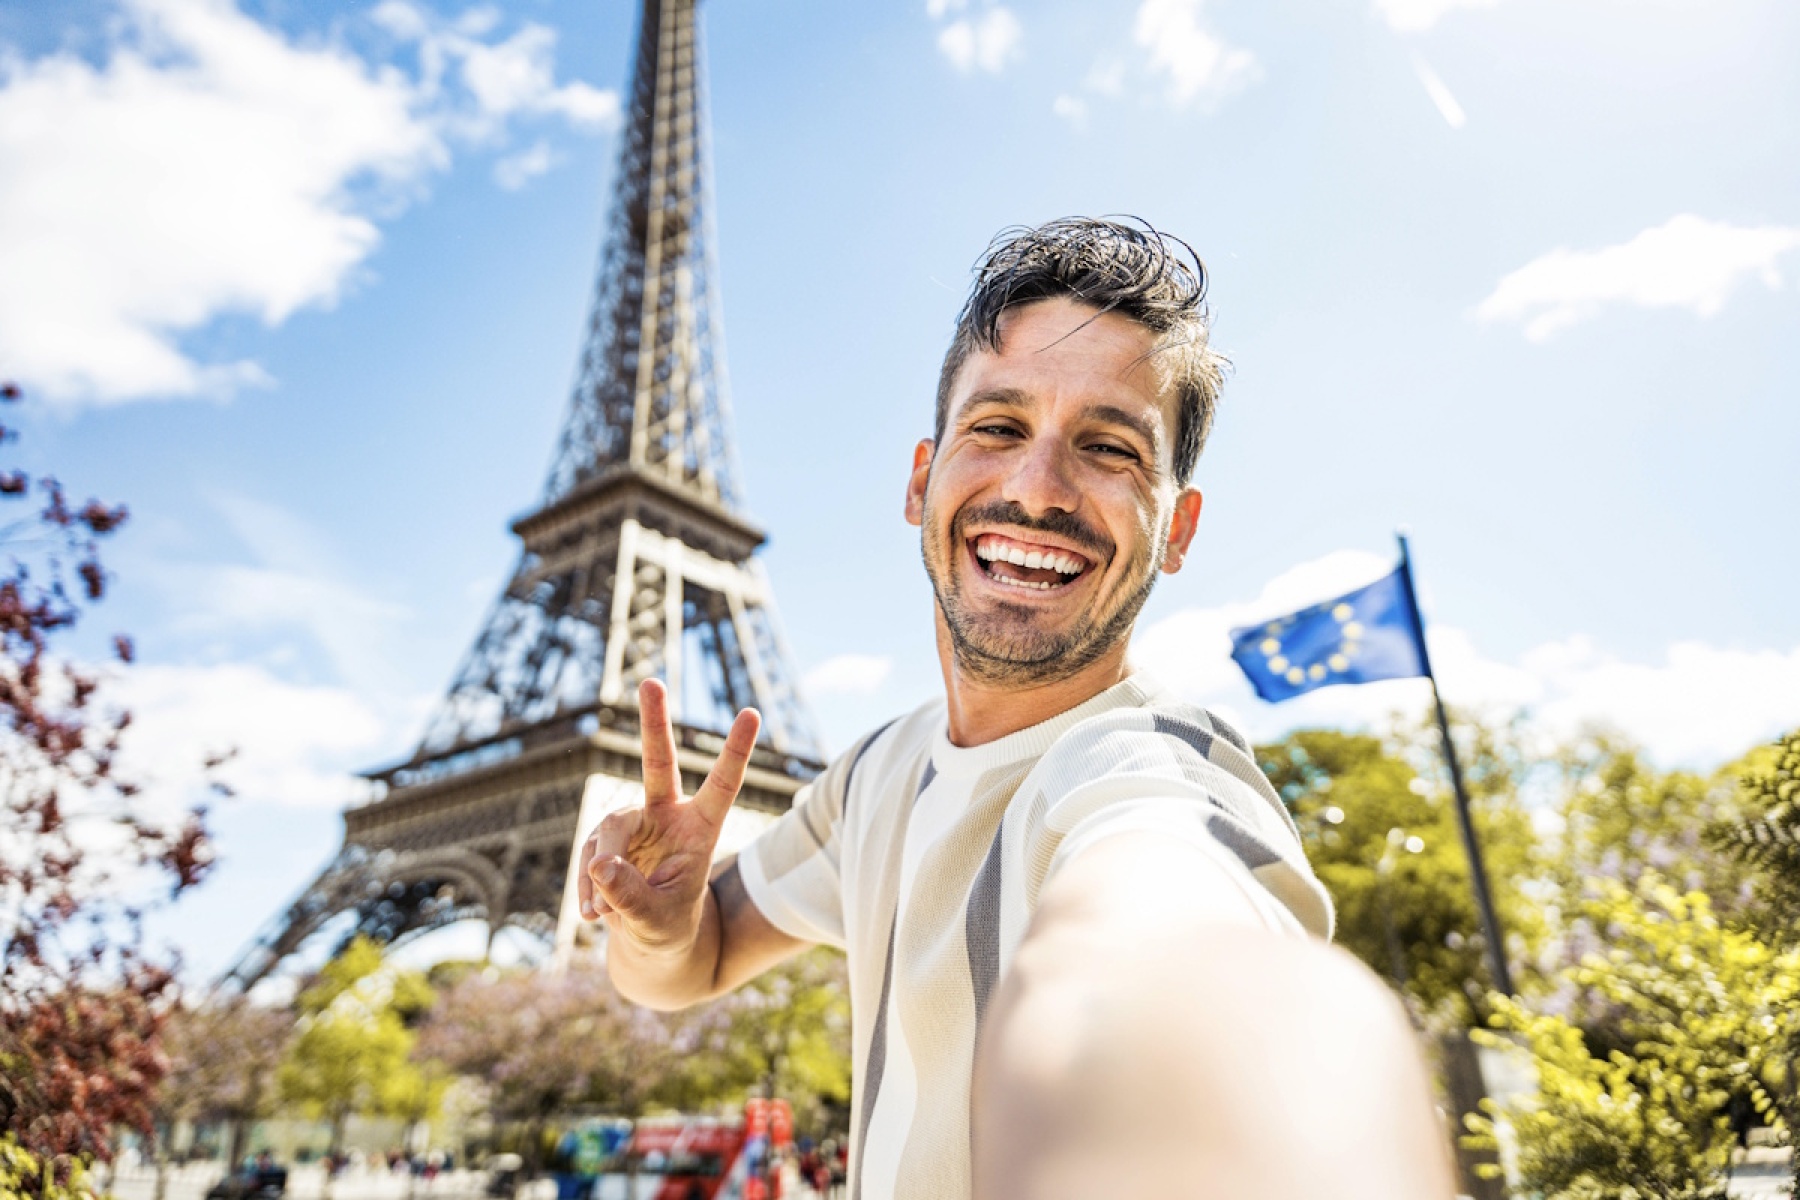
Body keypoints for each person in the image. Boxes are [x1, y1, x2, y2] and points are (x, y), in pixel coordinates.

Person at [579, 217, 1456, 1199]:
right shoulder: (875, 775)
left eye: (1110, 447)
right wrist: (655, 930)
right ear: (922, 479)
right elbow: (689, 967)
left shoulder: (1153, 772)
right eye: (998, 427)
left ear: (1179, 529)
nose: (1037, 487)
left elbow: (1165, 947)